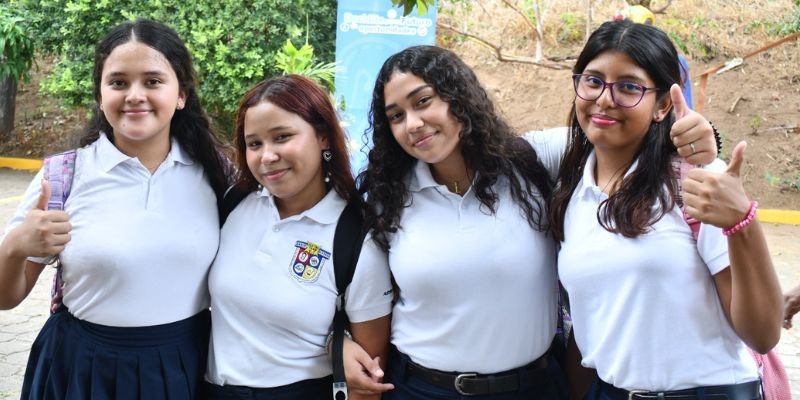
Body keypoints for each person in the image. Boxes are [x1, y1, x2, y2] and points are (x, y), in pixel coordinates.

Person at [344, 44, 718, 399]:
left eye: (423, 101)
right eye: (396, 116)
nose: (413, 123)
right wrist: (339, 343)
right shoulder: (389, 199)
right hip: (424, 389)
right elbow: (355, 297)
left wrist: (697, 134)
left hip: (535, 388)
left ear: (457, 97)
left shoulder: (531, 160)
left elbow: (614, 127)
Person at [549, 19, 783, 399]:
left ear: (661, 106)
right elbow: (596, 325)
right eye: (593, 80)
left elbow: (763, 333)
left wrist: (743, 222)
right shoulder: (572, 189)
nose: (605, 99)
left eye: (629, 87)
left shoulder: (696, 181)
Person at [0, 19, 229, 399]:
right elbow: (6, 298)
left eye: (153, 81)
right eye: (119, 82)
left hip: (184, 367)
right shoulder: (63, 176)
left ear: (181, 94)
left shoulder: (219, 176)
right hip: (82, 370)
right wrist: (13, 247)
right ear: (100, 94)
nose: (135, 95)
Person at [202, 74, 393, 399]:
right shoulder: (234, 204)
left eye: (282, 137)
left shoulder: (355, 236)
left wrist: (337, 341)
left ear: (323, 137)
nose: (267, 156)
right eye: (254, 144)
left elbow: (367, 384)